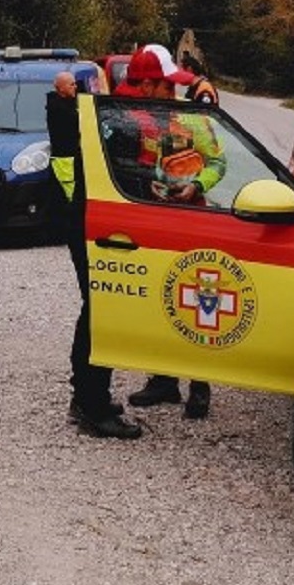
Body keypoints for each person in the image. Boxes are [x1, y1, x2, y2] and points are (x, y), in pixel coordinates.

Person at [115, 47, 225, 419]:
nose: (173, 92)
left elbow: (218, 162)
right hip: (153, 221)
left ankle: (200, 384)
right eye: (167, 85)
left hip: (191, 219)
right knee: (158, 299)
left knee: (195, 300)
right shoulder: (132, 118)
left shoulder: (192, 118)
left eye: (174, 85)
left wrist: (197, 185)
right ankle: (163, 380)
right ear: (150, 84)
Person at [47, 70, 142, 440]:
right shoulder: (88, 116)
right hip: (91, 227)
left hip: (91, 222)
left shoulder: (97, 114)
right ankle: (92, 405)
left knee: (95, 309)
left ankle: (85, 396)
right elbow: (71, 153)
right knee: (99, 311)